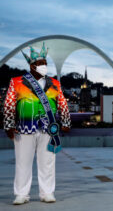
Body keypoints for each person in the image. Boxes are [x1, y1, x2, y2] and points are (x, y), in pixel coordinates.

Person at [3, 44, 71, 205]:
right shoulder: (16, 81)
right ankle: (21, 194)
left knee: (47, 162)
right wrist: (8, 125)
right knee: (22, 162)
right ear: (32, 66)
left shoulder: (55, 83)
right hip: (23, 128)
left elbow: (62, 103)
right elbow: (8, 104)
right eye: (41, 63)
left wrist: (66, 121)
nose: (44, 66)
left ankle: (47, 192)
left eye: (45, 63)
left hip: (49, 129)